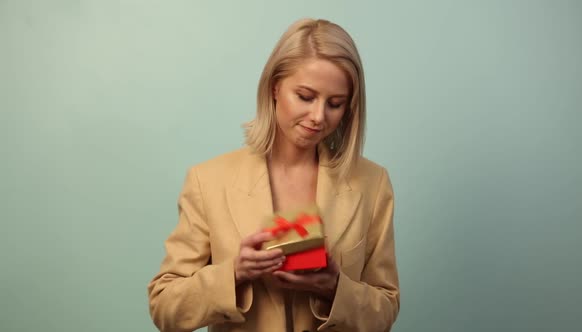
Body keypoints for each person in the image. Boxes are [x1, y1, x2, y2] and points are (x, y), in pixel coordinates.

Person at [147, 18, 400, 332]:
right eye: (306, 97)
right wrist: (234, 274)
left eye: (335, 104)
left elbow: (385, 309)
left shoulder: (372, 184)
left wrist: (334, 287)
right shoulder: (208, 181)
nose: (319, 117)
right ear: (274, 87)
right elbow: (164, 307)